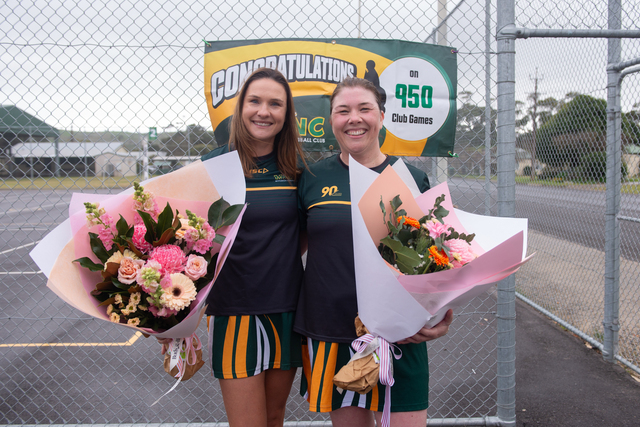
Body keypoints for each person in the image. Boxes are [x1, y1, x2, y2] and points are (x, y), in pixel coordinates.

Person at [294, 77, 454, 427]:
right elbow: (296, 247)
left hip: (399, 334)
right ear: (331, 120)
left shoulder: (411, 178)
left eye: (364, 109)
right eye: (343, 111)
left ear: (381, 116)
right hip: (332, 331)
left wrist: (438, 315)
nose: (354, 118)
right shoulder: (311, 178)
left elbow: (434, 262)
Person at [159, 67, 306, 427]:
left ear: (286, 113)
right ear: (241, 108)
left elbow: (302, 235)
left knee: (274, 417)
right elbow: (183, 243)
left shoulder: (297, 168)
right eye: (255, 101)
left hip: (287, 309)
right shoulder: (213, 166)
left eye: (275, 104)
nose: (263, 111)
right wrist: (171, 316)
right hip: (233, 312)